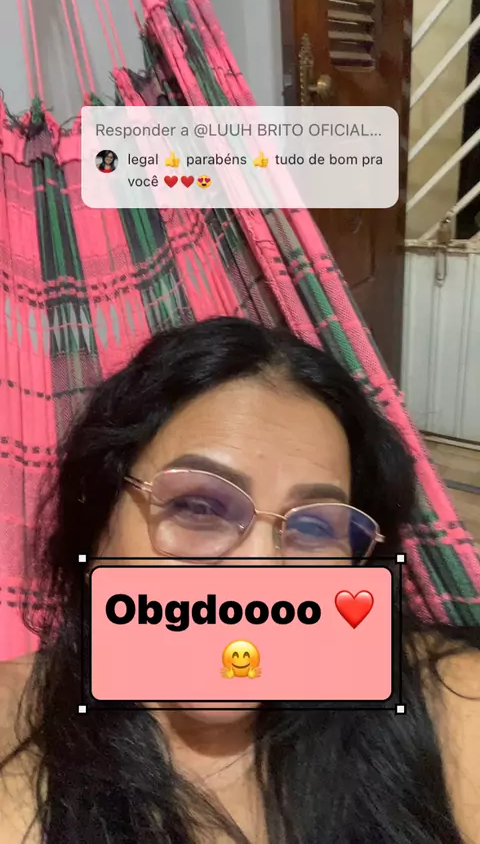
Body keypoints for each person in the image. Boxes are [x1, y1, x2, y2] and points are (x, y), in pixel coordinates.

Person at [0, 317, 479, 844]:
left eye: (317, 528)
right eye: (199, 507)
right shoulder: (19, 742)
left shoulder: (451, 705)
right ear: (99, 524)